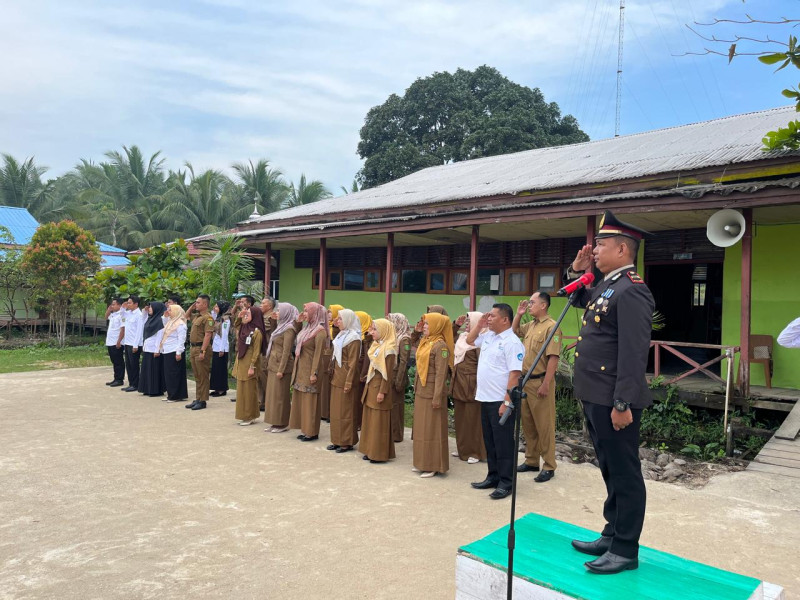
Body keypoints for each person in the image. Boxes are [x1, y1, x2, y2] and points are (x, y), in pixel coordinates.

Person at [566, 210, 655, 575]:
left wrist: (622, 402)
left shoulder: (632, 290)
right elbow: (574, 300)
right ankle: (611, 532)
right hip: (594, 394)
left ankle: (625, 549)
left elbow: (633, 354)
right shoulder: (606, 284)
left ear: (622, 249)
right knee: (608, 467)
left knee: (624, 472)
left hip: (613, 399)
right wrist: (576, 271)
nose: (595, 249)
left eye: (601, 245)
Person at [468, 304, 524, 500]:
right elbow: (469, 339)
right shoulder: (489, 336)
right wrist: (480, 325)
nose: (488, 318)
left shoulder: (512, 342)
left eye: (492, 316)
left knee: (503, 443)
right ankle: (493, 476)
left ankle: (506, 482)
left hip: (501, 400)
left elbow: (515, 374)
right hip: (485, 397)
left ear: (505, 320)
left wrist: (507, 402)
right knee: (490, 441)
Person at [512, 291, 562, 483]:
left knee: (544, 425)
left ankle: (549, 465)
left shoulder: (551, 327)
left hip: (540, 381)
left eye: (532, 303)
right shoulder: (531, 325)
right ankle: (531, 460)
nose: (529, 305)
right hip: (525, 382)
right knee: (528, 424)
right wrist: (519, 313)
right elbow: (515, 331)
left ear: (543, 305)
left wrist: (546, 383)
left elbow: (553, 358)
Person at [411, 312, 454, 478]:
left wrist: (437, 397)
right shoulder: (426, 341)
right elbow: (413, 342)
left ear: (437, 326)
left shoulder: (440, 346)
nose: (425, 327)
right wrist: (417, 330)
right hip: (422, 391)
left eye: (428, 324)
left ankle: (434, 465)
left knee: (432, 429)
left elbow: (441, 374)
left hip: (432, 393)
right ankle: (422, 462)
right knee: (422, 429)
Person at [289, 302, 329, 441]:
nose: (304, 313)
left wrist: (314, 373)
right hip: (301, 369)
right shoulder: (307, 328)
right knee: (302, 401)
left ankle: (312, 432)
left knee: (310, 402)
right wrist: (298, 323)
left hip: (311, 370)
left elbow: (318, 354)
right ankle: (305, 429)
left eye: (306, 311)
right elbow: (296, 340)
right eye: (303, 310)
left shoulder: (320, 331)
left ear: (314, 313)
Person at [451, 311, 487, 465]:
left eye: (469, 321)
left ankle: (476, 452)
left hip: (472, 385)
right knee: (460, 419)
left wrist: (479, 387)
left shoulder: (480, 341)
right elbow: (448, 340)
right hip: (459, 383)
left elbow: (483, 366)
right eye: (466, 322)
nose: (466, 324)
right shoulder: (462, 338)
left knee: (473, 420)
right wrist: (455, 326)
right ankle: (463, 449)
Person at [360, 318, 398, 463]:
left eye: (375, 330)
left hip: (379, 389)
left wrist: (382, 392)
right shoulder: (377, 345)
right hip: (371, 386)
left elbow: (387, 374)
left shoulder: (389, 349)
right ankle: (370, 449)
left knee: (379, 422)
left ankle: (378, 453)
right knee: (370, 420)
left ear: (383, 331)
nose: (372, 332)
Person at [328, 309, 362, 453]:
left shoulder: (354, 338)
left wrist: (348, 382)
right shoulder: (342, 335)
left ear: (348, 320)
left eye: (341, 319)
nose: (338, 321)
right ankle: (337, 440)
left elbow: (353, 363)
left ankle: (347, 442)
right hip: (337, 377)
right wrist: (335, 324)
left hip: (346, 378)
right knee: (336, 411)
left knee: (346, 411)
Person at [264, 302, 299, 433]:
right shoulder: (280, 326)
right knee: (272, 395)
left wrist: (281, 370)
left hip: (281, 366)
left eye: (279, 311)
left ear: (286, 313)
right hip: (273, 363)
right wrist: (273, 320)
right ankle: (274, 421)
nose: (277, 312)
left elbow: (286, 351)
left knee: (280, 396)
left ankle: (282, 423)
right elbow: (272, 335)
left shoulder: (289, 329)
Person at [232, 305, 266, 425]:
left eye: (249, 313)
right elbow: (236, 325)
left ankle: (250, 415)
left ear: (255, 315)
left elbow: (257, 352)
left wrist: (252, 366)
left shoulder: (257, 332)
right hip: (242, 362)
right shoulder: (245, 327)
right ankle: (243, 415)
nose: (246, 315)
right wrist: (240, 316)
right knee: (242, 391)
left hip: (250, 364)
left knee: (249, 391)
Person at [185, 294, 215, 411]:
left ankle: (202, 400)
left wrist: (203, 351)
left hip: (201, 348)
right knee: (197, 375)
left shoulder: (208, 318)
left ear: (205, 304)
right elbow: (186, 316)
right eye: (196, 302)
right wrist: (192, 307)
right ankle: (198, 398)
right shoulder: (197, 316)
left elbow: (208, 335)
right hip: (193, 348)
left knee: (203, 375)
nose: (196, 304)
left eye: (198, 302)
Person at [387, 312, 412, 442]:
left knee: (396, 406)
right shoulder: (394, 336)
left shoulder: (404, 339)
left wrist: (399, 380)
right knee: (391, 404)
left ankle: (397, 435)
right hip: (391, 374)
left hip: (398, 376)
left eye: (392, 321)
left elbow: (404, 361)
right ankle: (391, 432)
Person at [159, 304, 188, 403]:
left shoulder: (180, 324)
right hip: (167, 350)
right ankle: (171, 394)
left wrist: (178, 352)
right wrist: (165, 316)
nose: (168, 311)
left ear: (176, 311)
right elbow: (164, 328)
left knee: (174, 374)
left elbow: (181, 339)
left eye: (170, 310)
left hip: (174, 351)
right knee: (168, 374)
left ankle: (175, 395)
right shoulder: (171, 322)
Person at [138, 302, 167, 397]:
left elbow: (160, 337)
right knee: (147, 369)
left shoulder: (159, 321)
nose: (149, 309)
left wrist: (157, 350)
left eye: (151, 307)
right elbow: (142, 321)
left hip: (154, 350)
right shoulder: (150, 319)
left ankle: (155, 390)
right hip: (147, 348)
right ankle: (147, 388)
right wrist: (144, 311)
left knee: (154, 370)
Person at [321, 304, 344, 423]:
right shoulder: (325, 326)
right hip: (324, 358)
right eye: (328, 312)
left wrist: (335, 326)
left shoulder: (338, 329)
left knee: (330, 386)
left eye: (331, 312)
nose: (329, 314)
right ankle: (323, 412)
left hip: (332, 358)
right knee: (324, 386)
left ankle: (329, 412)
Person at [121, 295, 145, 392]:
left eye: (130, 303)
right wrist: (123, 307)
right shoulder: (129, 313)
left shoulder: (139, 315)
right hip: (127, 342)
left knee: (134, 364)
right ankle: (131, 383)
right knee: (128, 364)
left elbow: (139, 331)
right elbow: (122, 315)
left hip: (135, 344)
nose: (128, 304)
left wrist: (135, 345)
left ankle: (136, 384)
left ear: (136, 304)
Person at [257, 295, 277, 410]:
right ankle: (261, 401)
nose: (260, 304)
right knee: (260, 376)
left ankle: (267, 401)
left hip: (266, 351)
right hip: (260, 350)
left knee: (264, 375)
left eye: (263, 303)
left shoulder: (270, 317)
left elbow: (262, 330)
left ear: (269, 306)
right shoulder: (262, 316)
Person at [355, 311, 373, 431]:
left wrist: (363, 373)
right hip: (355, 368)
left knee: (361, 396)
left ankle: (360, 422)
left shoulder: (368, 337)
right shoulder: (356, 333)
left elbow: (367, 357)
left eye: (358, 319)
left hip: (362, 370)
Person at [210, 301, 231, 398]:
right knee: (215, 369)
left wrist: (222, 349)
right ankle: (216, 388)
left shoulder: (225, 320)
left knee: (221, 370)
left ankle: (222, 389)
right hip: (216, 347)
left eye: (217, 307)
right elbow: (212, 315)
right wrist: (214, 310)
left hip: (222, 348)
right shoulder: (218, 318)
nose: (215, 308)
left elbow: (225, 335)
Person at [104, 298, 126, 387]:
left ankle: (120, 379)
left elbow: (123, 329)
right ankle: (116, 378)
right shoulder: (113, 314)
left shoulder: (122, 315)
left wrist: (119, 341)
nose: (112, 306)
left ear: (119, 305)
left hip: (117, 342)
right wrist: (109, 310)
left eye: (114, 304)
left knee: (118, 361)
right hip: (110, 341)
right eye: (111, 304)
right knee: (114, 361)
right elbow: (106, 317)